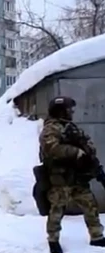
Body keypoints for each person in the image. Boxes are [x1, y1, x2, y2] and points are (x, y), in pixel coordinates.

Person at [39, 96, 105, 253]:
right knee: (57, 210)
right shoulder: (51, 128)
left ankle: (97, 237)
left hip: (78, 177)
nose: (72, 112)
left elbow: (87, 146)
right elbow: (52, 148)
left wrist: (91, 160)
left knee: (90, 206)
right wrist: (76, 152)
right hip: (60, 178)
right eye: (69, 109)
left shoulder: (71, 127)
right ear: (60, 110)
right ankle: (53, 241)